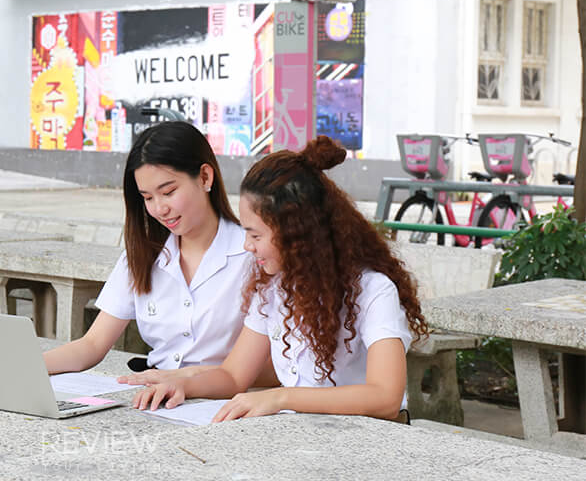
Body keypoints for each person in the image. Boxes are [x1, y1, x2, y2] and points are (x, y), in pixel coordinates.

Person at [132, 135, 429, 422]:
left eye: (256, 234)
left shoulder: (373, 291)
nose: (247, 246)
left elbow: (385, 398)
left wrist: (282, 397)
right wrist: (183, 386)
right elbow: (234, 375)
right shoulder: (273, 289)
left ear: (297, 234)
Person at [44, 121, 253, 384]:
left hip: (227, 401)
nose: (159, 209)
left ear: (204, 177)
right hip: (156, 397)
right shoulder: (144, 255)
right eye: (148, 197)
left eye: (168, 192)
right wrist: (25, 366)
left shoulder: (252, 254)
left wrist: (185, 377)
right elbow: (93, 345)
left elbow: (266, 366)